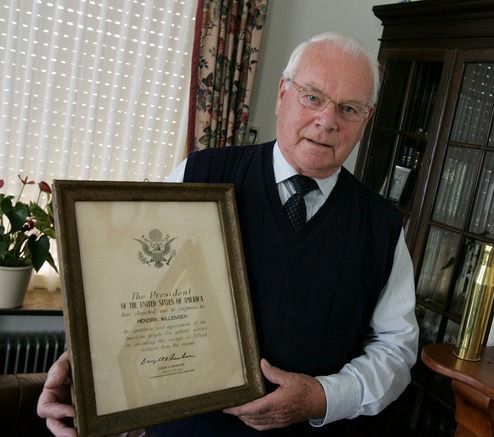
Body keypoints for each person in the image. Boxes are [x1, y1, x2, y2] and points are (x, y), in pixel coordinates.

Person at [37, 32, 418, 436]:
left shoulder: (382, 226)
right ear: (282, 93)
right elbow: (135, 297)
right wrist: (85, 369)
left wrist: (323, 397)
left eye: (348, 108)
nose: (327, 120)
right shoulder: (198, 176)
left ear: (366, 119)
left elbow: (396, 349)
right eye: (312, 97)